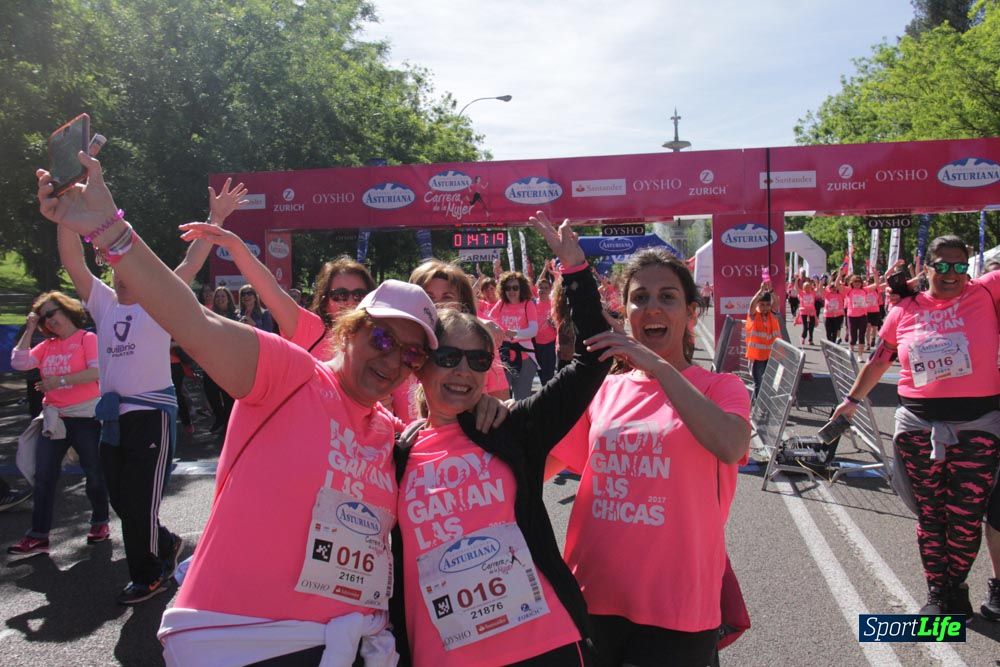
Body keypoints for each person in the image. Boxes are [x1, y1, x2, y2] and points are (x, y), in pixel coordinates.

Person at [36, 153, 436, 663]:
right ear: (349, 330)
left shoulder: (393, 433)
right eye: (382, 336)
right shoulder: (288, 373)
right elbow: (191, 320)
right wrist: (109, 233)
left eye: (412, 353)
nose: (393, 358)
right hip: (244, 639)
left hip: (352, 642)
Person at [393, 212, 613, 666]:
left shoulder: (512, 428)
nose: (463, 371)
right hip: (445, 655)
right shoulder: (393, 451)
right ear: (419, 363)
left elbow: (592, 361)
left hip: (543, 645)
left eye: (478, 361)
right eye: (449, 356)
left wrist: (575, 271)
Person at [549, 248, 752, 667]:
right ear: (625, 312)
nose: (652, 307)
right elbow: (541, 465)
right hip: (592, 596)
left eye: (667, 297)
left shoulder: (720, 387)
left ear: (691, 312)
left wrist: (660, 368)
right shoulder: (602, 390)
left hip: (677, 607)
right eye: (640, 298)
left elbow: (731, 445)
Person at [53, 171, 245, 604]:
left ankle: (149, 574)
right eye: (117, 268)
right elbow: (72, 261)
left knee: (138, 503)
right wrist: (66, 212)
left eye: (131, 269)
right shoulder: (101, 302)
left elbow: (192, 263)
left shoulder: (161, 302)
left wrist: (216, 217)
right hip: (112, 420)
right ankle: (164, 542)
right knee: (121, 499)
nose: (124, 276)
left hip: (151, 416)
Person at [833, 236, 1000, 616]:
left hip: (979, 424)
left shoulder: (987, 293)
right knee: (931, 514)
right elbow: (878, 360)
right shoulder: (904, 309)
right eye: (942, 265)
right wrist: (851, 401)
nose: (952, 273)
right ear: (926, 268)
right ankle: (939, 592)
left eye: (960, 266)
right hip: (917, 427)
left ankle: (955, 582)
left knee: (965, 515)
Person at [178, 221, 375, 362]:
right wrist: (235, 245)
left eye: (359, 294)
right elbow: (269, 289)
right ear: (325, 299)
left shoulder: (384, 339)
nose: (350, 301)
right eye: (340, 294)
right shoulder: (311, 330)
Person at [8, 291, 109, 557]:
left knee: (94, 474)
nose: (49, 321)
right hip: (54, 419)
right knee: (44, 477)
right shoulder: (47, 345)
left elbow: (97, 371)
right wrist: (30, 329)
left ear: (66, 310)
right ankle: (38, 536)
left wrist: (60, 381)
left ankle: (100, 521)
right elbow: (19, 362)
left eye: (52, 313)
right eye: (44, 318)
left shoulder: (87, 338)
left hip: (85, 418)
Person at [490, 271, 539, 400]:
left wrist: (515, 333)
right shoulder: (500, 304)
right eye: (508, 288)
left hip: (525, 359)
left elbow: (534, 330)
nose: (511, 291)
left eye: (515, 288)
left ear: (521, 288)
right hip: (503, 358)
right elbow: (487, 322)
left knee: (521, 399)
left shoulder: (528, 304)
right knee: (502, 399)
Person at [203, 287, 238, 433]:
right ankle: (220, 417)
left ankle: (229, 424)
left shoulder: (236, 315)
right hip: (212, 359)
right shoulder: (209, 315)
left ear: (229, 298)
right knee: (210, 390)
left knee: (228, 395)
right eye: (218, 297)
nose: (220, 299)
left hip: (230, 361)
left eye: (223, 296)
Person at [745, 283, 781, 401]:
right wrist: (760, 291)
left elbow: (776, 302)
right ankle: (759, 408)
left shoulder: (773, 314)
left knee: (770, 383)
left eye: (767, 305)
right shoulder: (754, 315)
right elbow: (752, 304)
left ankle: (767, 405)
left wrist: (771, 290)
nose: (765, 307)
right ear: (758, 305)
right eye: (762, 305)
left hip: (772, 356)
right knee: (759, 383)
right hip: (757, 357)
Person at [822, 272, 846, 343]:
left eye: (835, 288)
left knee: (835, 331)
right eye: (832, 288)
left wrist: (840, 275)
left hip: (837, 316)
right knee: (828, 332)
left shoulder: (841, 294)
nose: (833, 289)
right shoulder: (827, 294)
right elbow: (821, 289)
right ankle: (830, 342)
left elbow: (839, 285)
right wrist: (820, 282)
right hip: (827, 316)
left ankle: (833, 344)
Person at [797, 277, 818, 346]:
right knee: (805, 326)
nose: (807, 288)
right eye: (806, 287)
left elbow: (818, 289)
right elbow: (796, 288)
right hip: (803, 311)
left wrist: (816, 282)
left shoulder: (813, 293)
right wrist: (797, 280)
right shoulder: (801, 293)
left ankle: (810, 339)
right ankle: (803, 337)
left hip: (811, 311)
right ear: (803, 288)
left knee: (811, 326)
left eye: (808, 287)